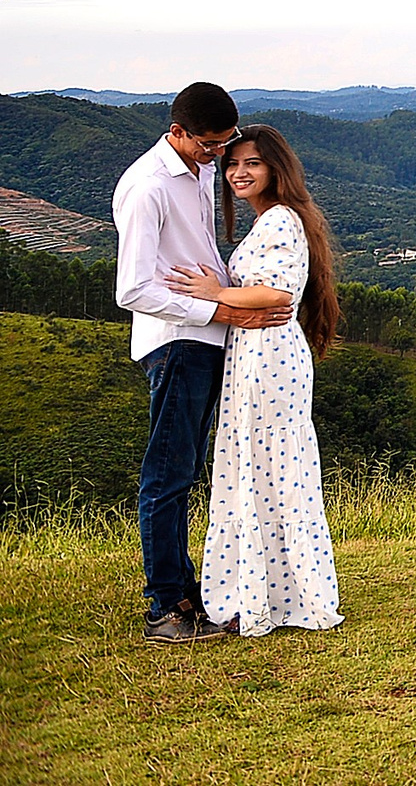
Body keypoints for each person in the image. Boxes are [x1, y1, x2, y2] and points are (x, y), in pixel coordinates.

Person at [113, 82, 291, 645]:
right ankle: (167, 609)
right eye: (210, 145)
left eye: (226, 145)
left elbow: (201, 252)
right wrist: (217, 308)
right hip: (177, 341)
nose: (220, 156)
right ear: (178, 132)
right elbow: (133, 289)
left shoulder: (200, 169)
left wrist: (230, 304)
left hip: (209, 337)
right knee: (168, 475)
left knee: (190, 470)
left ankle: (194, 595)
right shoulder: (148, 188)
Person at [168, 124, 344, 638]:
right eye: (232, 164)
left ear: (276, 170)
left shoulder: (281, 220)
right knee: (263, 470)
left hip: (269, 357)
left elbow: (277, 295)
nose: (239, 173)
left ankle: (282, 596)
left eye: (252, 164)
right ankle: (268, 589)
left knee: (269, 470)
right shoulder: (272, 221)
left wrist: (208, 293)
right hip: (255, 354)